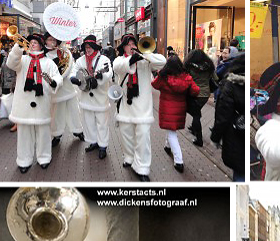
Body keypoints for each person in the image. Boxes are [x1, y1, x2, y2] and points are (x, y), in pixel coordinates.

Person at [113, 33, 166, 181]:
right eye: (128, 44)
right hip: (126, 105)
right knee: (126, 135)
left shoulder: (145, 60)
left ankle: (142, 167)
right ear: (123, 47)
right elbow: (118, 68)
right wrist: (131, 59)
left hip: (143, 107)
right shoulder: (119, 59)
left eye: (133, 44)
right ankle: (129, 157)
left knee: (143, 137)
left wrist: (145, 55)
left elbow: (162, 62)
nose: (132, 46)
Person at [7, 33, 62, 173]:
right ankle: (24, 160)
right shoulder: (23, 59)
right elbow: (11, 63)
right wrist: (18, 48)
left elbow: (57, 77)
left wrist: (53, 82)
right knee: (24, 134)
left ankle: (44, 158)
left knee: (43, 133)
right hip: (23, 105)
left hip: (42, 102)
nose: (32, 44)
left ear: (41, 45)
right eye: (30, 42)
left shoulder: (48, 62)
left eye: (35, 42)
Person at [151, 55, 200, 173]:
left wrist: (159, 74)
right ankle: (167, 146)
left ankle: (179, 161)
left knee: (171, 132)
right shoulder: (187, 77)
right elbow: (196, 91)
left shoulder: (164, 77)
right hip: (180, 108)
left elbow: (154, 85)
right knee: (171, 130)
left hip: (167, 108)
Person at [70, 35, 113, 160]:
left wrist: (100, 77)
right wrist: (74, 78)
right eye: (86, 47)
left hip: (100, 98)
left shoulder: (103, 59)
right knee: (88, 122)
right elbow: (74, 70)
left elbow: (108, 72)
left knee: (102, 123)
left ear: (95, 47)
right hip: (86, 98)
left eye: (90, 47)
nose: (87, 49)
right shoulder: (81, 60)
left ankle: (103, 146)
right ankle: (93, 142)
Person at [44, 32, 85, 148]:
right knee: (57, 114)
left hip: (68, 88)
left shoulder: (65, 52)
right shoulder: (44, 56)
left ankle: (78, 130)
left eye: (53, 39)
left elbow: (72, 67)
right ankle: (57, 135)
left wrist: (72, 76)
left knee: (74, 111)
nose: (51, 42)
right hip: (56, 90)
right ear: (45, 41)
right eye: (49, 39)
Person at [211, 53, 245, 181]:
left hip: (235, 134)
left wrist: (215, 137)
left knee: (240, 173)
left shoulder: (231, 84)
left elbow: (222, 114)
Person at [184, 48, 218, 147]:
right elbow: (215, 78)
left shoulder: (189, 66)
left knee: (196, 115)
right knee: (196, 113)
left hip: (193, 93)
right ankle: (194, 129)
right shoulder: (209, 66)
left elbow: (185, 78)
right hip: (205, 94)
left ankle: (199, 139)